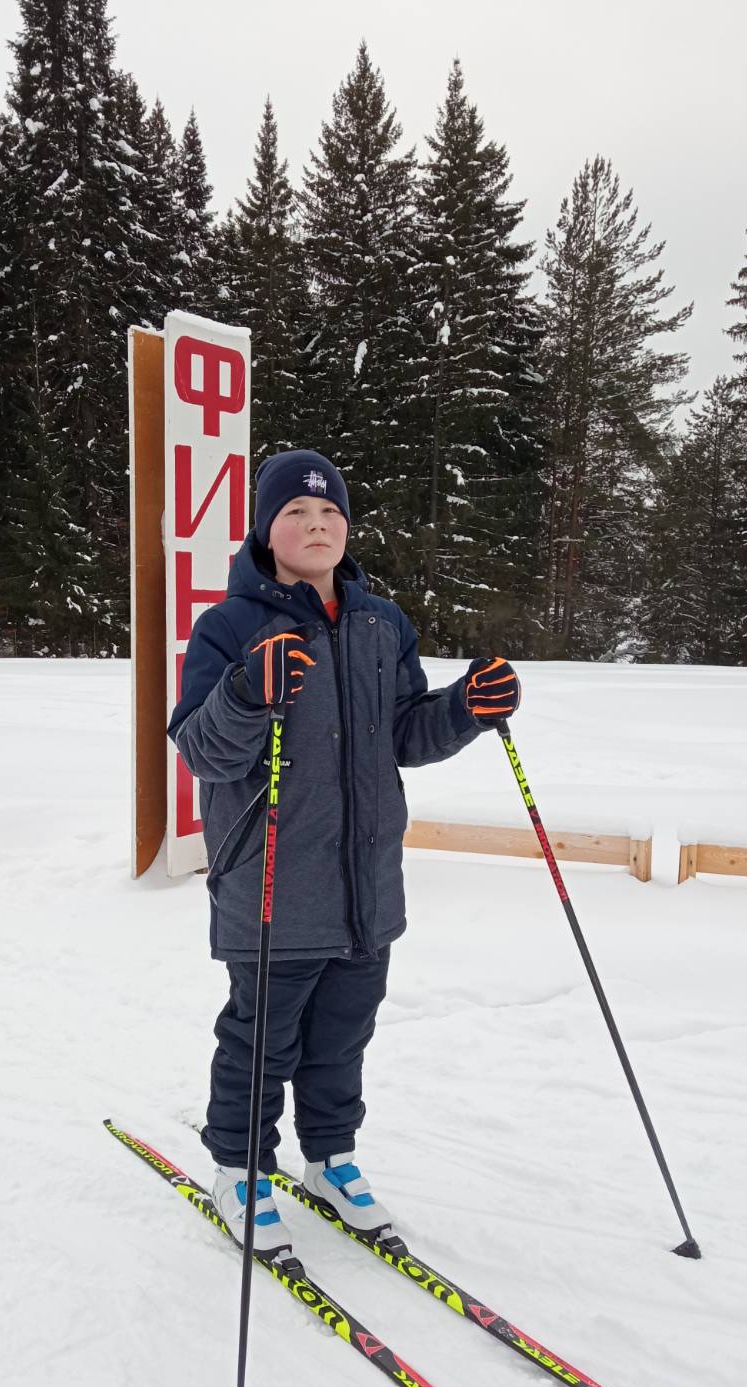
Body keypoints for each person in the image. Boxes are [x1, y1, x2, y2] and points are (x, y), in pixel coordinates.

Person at [168, 449, 520, 1260]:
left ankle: (331, 1159)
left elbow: (402, 734)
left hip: (366, 886)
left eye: (330, 514)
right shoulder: (229, 628)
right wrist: (246, 693)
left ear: (347, 527)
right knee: (261, 1038)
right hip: (271, 882)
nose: (316, 525)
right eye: (296, 512)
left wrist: (465, 708)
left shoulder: (380, 623)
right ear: (266, 528)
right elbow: (203, 752)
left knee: (343, 1037)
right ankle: (242, 1171)